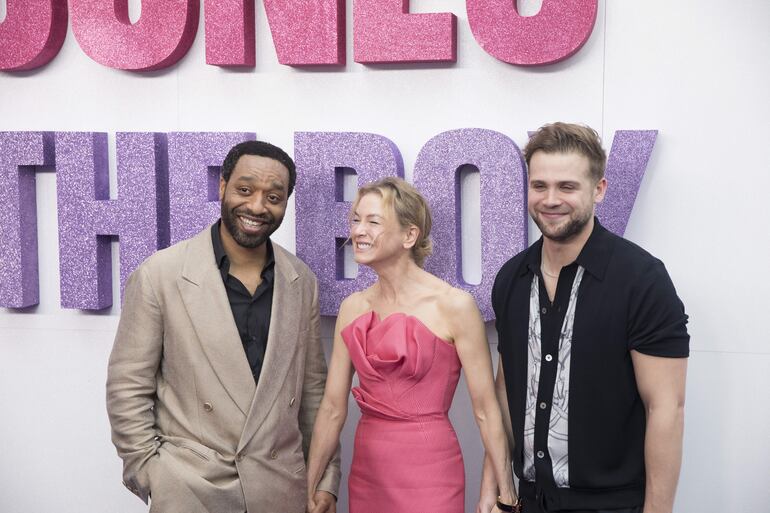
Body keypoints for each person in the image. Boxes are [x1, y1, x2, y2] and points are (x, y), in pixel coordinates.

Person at [106, 140, 340, 513]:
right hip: (190, 489)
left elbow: (312, 392)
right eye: (245, 190)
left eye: (274, 196)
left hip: (281, 489)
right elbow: (127, 385)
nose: (258, 206)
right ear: (223, 187)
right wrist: (152, 472)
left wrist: (326, 479)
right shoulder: (161, 275)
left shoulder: (301, 281)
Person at [482, 122, 689, 513]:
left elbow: (666, 408)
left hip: (612, 505)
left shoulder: (641, 279)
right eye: (539, 186)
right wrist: (493, 487)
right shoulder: (511, 278)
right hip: (526, 501)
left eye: (567, 187)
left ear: (598, 190)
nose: (550, 199)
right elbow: (506, 393)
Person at [305, 177, 517, 513]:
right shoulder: (353, 308)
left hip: (431, 471)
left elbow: (486, 410)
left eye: (373, 222)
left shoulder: (454, 305)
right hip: (369, 472)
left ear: (409, 235)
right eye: (356, 219)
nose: (358, 231)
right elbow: (332, 409)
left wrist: (507, 495)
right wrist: (310, 487)